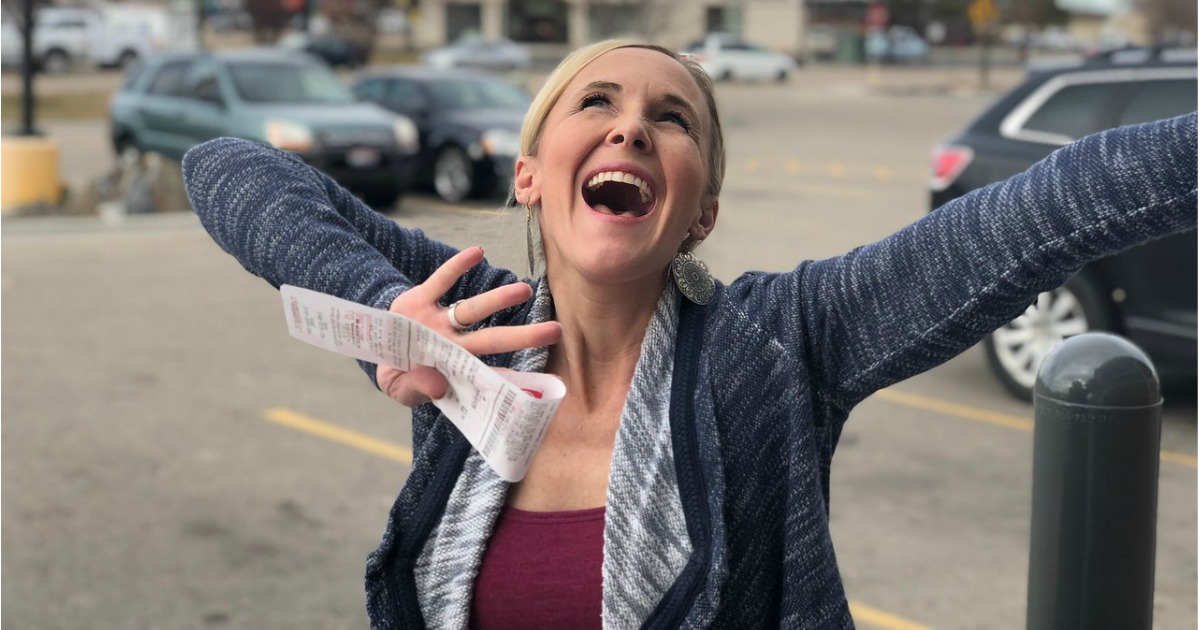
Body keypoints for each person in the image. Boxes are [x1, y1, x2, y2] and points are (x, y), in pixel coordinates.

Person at [182, 40, 1197, 628]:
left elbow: (1067, 197)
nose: (630, 127)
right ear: (530, 174)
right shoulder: (469, 330)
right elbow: (227, 168)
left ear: (699, 207)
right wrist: (386, 324)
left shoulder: (784, 339)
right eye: (597, 103)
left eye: (672, 118)